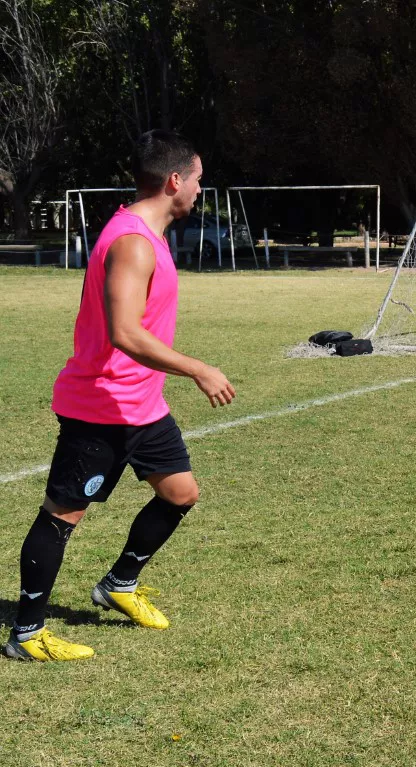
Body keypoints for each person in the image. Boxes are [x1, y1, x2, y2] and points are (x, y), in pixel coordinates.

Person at [5, 130, 236, 662]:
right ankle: (26, 633)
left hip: (142, 406)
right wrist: (198, 368)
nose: (200, 189)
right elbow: (125, 333)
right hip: (101, 408)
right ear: (175, 180)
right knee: (62, 515)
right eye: (198, 179)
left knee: (180, 494)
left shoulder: (147, 235)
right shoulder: (131, 241)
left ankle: (118, 585)